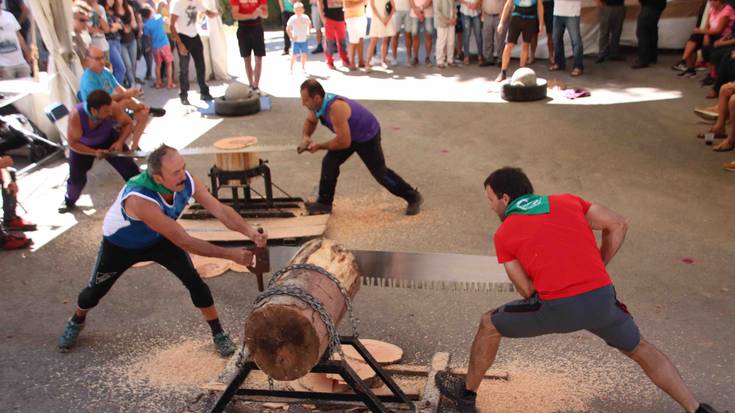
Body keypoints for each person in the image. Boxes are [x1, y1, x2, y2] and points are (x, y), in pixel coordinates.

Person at [434, 167, 724, 413]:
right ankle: (696, 409)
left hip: (558, 308)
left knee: (489, 324)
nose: (491, 207)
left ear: (505, 198)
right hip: (602, 301)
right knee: (640, 349)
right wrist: (598, 264)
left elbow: (527, 292)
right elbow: (617, 223)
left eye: (491, 200)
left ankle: (466, 397)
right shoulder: (568, 201)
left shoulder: (505, 233)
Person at [57, 144, 268, 356]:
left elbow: (221, 210)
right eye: (175, 173)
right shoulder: (139, 198)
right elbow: (185, 241)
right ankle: (77, 319)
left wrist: (250, 232)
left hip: (158, 239)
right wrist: (231, 255)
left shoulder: (187, 180)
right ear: (158, 179)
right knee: (92, 294)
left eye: (183, 168)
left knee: (195, 283)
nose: (183, 176)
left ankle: (218, 333)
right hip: (121, 245)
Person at [299, 80, 423, 216]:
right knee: (329, 162)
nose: (303, 104)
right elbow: (311, 121)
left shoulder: (335, 108)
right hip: (349, 134)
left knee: (380, 173)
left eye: (305, 100)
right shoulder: (316, 106)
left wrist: (319, 146)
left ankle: (413, 197)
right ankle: (324, 203)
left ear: (316, 98)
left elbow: (343, 142)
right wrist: (306, 136)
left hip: (367, 135)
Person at [61, 90, 141, 212]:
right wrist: (94, 152)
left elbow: (128, 124)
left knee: (130, 169)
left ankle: (145, 197)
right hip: (82, 146)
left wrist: (119, 141)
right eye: (105, 112)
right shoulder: (76, 115)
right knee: (76, 179)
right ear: (93, 110)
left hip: (108, 139)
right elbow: (73, 143)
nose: (110, 113)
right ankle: (69, 200)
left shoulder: (112, 107)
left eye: (110, 110)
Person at [80, 46, 160, 151]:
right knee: (125, 101)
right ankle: (147, 110)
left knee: (143, 113)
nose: (102, 61)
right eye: (98, 59)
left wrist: (131, 95)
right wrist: (127, 95)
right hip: (97, 114)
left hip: (112, 106)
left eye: (103, 57)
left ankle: (135, 147)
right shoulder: (88, 78)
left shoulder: (105, 71)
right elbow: (103, 100)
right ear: (88, 60)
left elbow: (118, 88)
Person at [170, 0, 219, 105]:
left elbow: (208, 13)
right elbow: (172, 25)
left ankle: (204, 92)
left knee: (201, 65)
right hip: (183, 37)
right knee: (184, 68)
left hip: (195, 36)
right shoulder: (178, 3)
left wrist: (217, 13)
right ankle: (183, 95)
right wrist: (180, 44)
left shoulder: (197, 2)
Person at [672, 0, 733, 80]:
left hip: (722, 36)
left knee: (705, 45)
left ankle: (712, 75)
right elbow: (707, 26)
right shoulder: (712, 9)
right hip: (710, 33)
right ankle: (686, 64)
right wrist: (705, 34)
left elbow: (719, 30)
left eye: (713, 1)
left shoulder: (727, 11)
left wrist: (702, 32)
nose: (711, 3)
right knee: (694, 37)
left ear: (720, 1)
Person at [495, 0, 543, 82]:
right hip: (516, 17)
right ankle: (503, 72)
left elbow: (540, 6)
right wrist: (501, 22)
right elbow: (508, 4)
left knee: (526, 45)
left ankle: (521, 74)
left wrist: (541, 24)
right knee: (509, 45)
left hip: (530, 19)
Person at [231, 0, 268, 94]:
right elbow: (235, 15)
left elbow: (265, 14)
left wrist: (260, 13)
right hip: (243, 29)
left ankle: (256, 86)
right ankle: (251, 84)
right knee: (247, 59)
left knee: (258, 59)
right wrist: (251, 15)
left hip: (257, 28)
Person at [142, 6, 174, 88]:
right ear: (150, 12)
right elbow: (166, 20)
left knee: (158, 65)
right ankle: (169, 83)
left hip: (155, 47)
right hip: (164, 44)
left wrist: (150, 46)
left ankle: (158, 83)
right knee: (169, 63)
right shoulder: (159, 18)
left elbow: (149, 37)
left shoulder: (146, 25)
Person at [549, 0, 583, 76]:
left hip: (572, 13)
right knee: (556, 39)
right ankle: (559, 63)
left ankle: (578, 66)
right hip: (558, 12)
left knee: (576, 41)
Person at [0, 0, 31, 79]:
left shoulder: (9, 16)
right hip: (3, 66)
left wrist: (27, 54)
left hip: (20, 62)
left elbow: (19, 36)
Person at [631, 0, 666, 69]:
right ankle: (652, 56)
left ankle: (643, 60)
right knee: (652, 32)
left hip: (648, 7)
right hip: (658, 7)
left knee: (643, 34)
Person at [318, 0, 350, 69]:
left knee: (342, 40)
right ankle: (330, 61)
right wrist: (322, 17)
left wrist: (346, 15)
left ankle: (344, 59)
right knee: (330, 41)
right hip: (329, 18)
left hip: (341, 18)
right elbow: (319, 3)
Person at [365, 0, 396, 69]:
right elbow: (373, 7)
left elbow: (393, 7)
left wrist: (388, 19)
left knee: (385, 41)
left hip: (387, 20)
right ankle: (367, 63)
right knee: (373, 41)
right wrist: (381, 19)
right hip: (377, 19)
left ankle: (383, 61)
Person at [287, 2, 312, 73]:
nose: (298, 11)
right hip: (296, 40)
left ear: (303, 10)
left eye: (299, 9)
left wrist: (308, 32)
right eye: (296, 10)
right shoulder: (292, 18)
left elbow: (309, 25)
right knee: (294, 55)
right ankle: (291, 68)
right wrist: (291, 37)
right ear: (294, 10)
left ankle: (303, 68)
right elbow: (288, 28)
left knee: (304, 54)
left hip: (304, 39)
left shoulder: (306, 17)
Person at [480, 0, 506, 66]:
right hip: (487, 15)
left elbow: (507, 2)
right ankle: (488, 58)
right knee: (487, 37)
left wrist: (503, 13)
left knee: (500, 39)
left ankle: (500, 59)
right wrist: (482, 12)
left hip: (499, 16)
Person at [344, 0, 367, 70]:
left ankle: (361, 61)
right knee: (353, 40)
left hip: (362, 16)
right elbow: (348, 5)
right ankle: (352, 63)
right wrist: (362, 2)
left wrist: (362, 3)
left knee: (361, 38)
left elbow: (366, 3)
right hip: (351, 17)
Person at [459, 0, 483, 65]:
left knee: (478, 35)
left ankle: (480, 56)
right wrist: (467, 3)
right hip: (465, 11)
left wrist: (477, 3)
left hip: (476, 11)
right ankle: (466, 57)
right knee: (466, 35)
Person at [410, 0, 434, 66]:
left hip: (428, 11)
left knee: (428, 34)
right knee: (414, 34)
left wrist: (421, 9)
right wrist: (416, 10)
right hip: (414, 12)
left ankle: (428, 58)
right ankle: (415, 58)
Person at [434, 0, 457, 68]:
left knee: (451, 42)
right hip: (442, 23)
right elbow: (437, 12)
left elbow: (454, 7)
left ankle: (450, 60)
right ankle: (440, 61)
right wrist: (447, 21)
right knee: (441, 42)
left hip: (452, 22)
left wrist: (455, 18)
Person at [391, 0, 413, 66]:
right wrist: (393, 7)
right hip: (397, 10)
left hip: (408, 10)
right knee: (395, 35)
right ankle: (394, 58)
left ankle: (409, 59)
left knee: (408, 34)